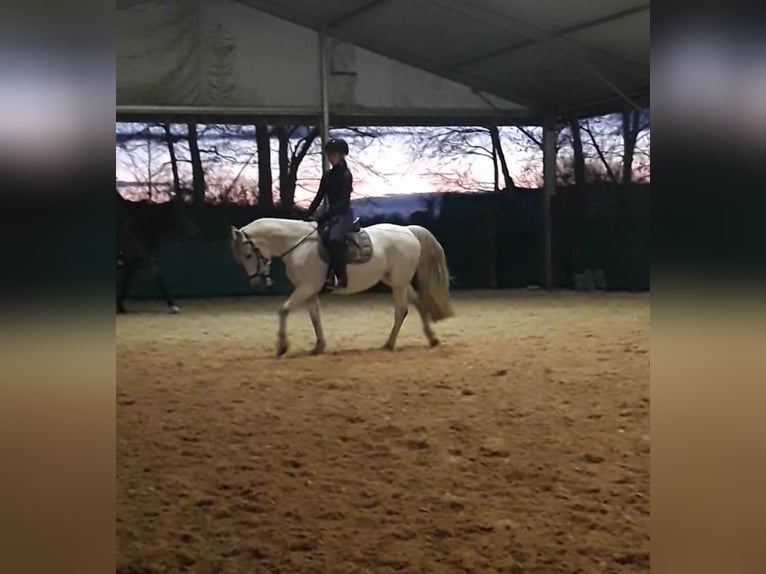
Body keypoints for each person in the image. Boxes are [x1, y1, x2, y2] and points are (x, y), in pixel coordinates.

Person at [305, 138, 354, 289]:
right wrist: (307, 215)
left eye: (333, 154)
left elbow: (344, 202)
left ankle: (341, 275)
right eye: (329, 154)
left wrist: (326, 215)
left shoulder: (346, 175)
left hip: (342, 215)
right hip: (330, 215)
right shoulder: (327, 175)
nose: (330, 157)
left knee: (334, 239)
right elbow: (319, 197)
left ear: (341, 155)